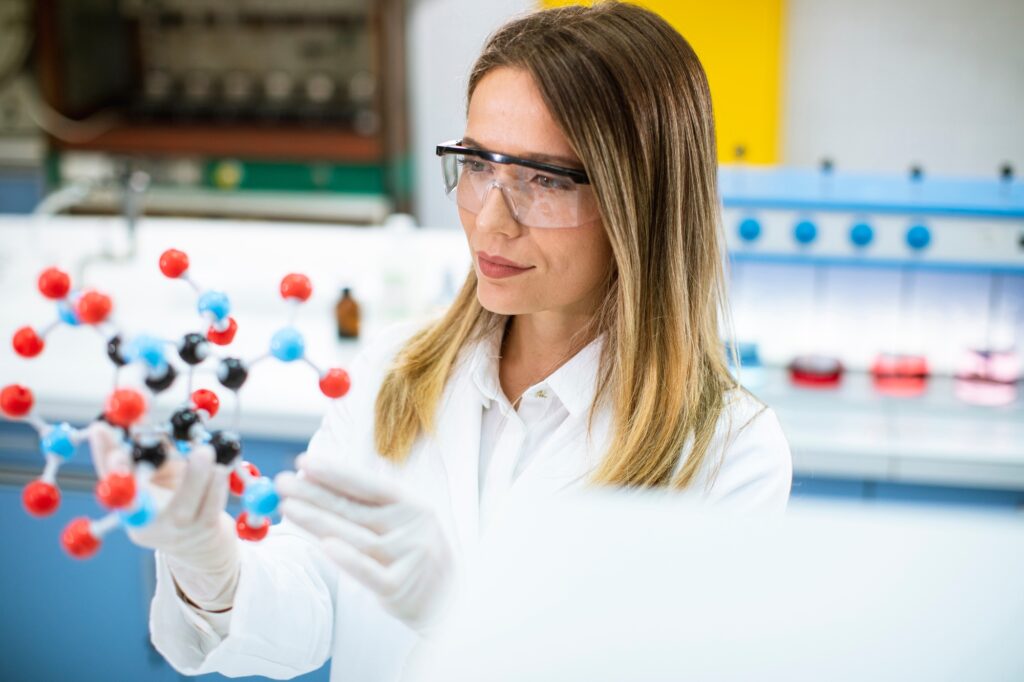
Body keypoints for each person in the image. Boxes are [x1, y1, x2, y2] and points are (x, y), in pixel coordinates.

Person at [88, 2, 791, 680]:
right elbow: (313, 607)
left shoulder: (731, 454)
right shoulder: (398, 369)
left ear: (643, 199)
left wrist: (460, 617)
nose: (490, 221)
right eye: (478, 164)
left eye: (542, 179)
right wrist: (211, 569)